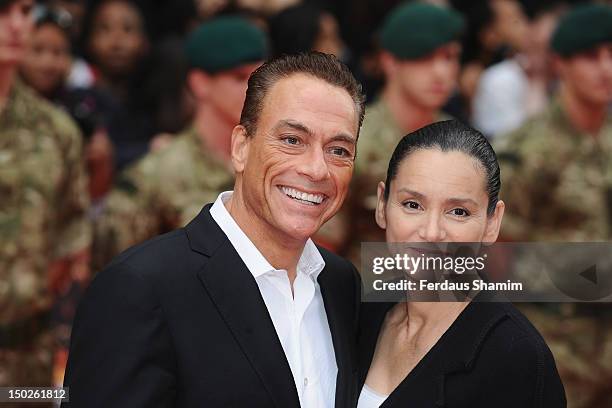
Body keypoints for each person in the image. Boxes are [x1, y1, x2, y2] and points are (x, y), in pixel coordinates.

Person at [63, 52, 364, 407]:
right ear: (240, 147)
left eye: (339, 150)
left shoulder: (342, 285)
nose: (317, 169)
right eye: (292, 140)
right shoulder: (139, 289)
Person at [357, 120, 566, 407]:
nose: (431, 232)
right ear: (382, 205)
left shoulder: (515, 355)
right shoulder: (358, 314)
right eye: (412, 205)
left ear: (492, 223)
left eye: (458, 211)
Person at [495, 4, 612, 407]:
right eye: (591, 56)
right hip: (555, 351)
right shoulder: (524, 153)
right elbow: (497, 262)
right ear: (560, 62)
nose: (606, 68)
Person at [92, 16, 266, 270]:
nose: (255, 90)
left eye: (260, 78)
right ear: (200, 83)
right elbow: (118, 275)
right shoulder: (156, 175)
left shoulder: (275, 165)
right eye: (239, 78)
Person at [0, 0, 91, 394]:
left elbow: (72, 237)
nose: (19, 26)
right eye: (3, 14)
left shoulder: (57, 131)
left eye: (23, 12)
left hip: (28, 356)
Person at [334, 2, 463, 257]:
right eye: (424, 58)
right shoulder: (356, 140)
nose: (441, 72)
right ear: (390, 62)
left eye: (449, 57)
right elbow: (320, 248)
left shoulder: (461, 141)